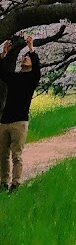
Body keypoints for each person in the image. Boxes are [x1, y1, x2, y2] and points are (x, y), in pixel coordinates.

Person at [0, 36, 41, 192]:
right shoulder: (14, 78)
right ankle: (4, 182)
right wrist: (3, 54)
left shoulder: (32, 79)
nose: (25, 59)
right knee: (2, 155)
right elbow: (1, 72)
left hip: (20, 122)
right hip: (5, 121)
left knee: (16, 155)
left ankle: (15, 183)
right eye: (24, 58)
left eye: (28, 59)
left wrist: (31, 48)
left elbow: (37, 68)